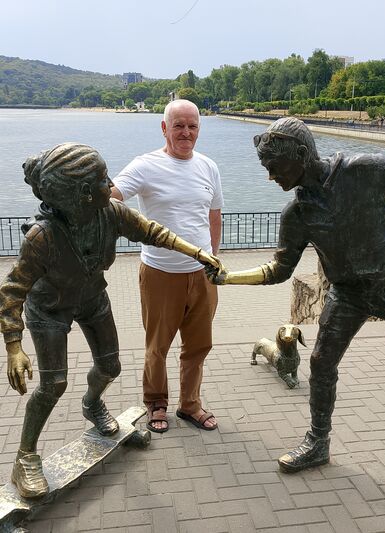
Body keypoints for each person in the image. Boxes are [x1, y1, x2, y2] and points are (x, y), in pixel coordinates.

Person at [0, 142, 220, 498]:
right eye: (104, 179)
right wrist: (14, 346)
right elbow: (11, 291)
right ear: (84, 194)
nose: (112, 184)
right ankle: (25, 456)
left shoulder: (111, 213)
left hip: (92, 298)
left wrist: (197, 252)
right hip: (50, 309)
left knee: (110, 367)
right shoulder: (42, 237)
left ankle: (92, 404)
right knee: (53, 384)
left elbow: (153, 231)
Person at [206, 116, 385, 473]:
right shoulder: (296, 214)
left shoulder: (363, 169)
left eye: (274, 166)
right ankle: (317, 443)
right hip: (348, 294)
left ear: (300, 154)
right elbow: (279, 270)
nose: (270, 176)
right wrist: (228, 277)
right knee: (321, 362)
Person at [111, 99, 224, 433]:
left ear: (199, 129)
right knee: (158, 346)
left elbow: (214, 215)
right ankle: (156, 402)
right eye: (178, 126)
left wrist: (214, 258)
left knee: (199, 345)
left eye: (192, 126)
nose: (186, 132)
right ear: (164, 128)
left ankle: (190, 405)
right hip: (160, 273)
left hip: (202, 274)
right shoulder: (145, 166)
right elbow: (112, 197)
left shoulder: (208, 167)